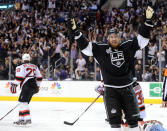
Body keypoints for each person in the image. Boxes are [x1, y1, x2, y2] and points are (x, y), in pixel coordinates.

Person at [67, 6, 154, 131]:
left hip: (128, 89)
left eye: (116, 36)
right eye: (111, 37)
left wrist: (147, 23)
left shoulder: (127, 45)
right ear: (108, 38)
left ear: (119, 37)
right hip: (111, 92)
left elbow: (142, 41)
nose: (114, 39)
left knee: (133, 121)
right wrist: (77, 33)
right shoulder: (101, 48)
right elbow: (86, 48)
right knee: (114, 123)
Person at [10, 53, 42, 125]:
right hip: (33, 84)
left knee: (23, 102)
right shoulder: (35, 66)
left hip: (27, 85)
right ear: (29, 59)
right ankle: (21, 119)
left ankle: (27, 119)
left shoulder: (20, 67)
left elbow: (19, 78)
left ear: (22, 59)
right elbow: (39, 78)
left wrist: (13, 86)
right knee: (23, 102)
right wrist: (38, 86)